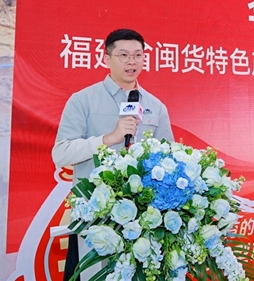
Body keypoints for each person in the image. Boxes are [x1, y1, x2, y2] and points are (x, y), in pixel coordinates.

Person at [52, 28, 174, 280]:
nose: (132, 62)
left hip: (143, 221)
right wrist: (108, 139)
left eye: (138, 55)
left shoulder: (155, 106)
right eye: (123, 55)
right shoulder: (83, 100)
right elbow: (61, 153)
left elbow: (168, 159)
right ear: (106, 58)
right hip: (95, 217)